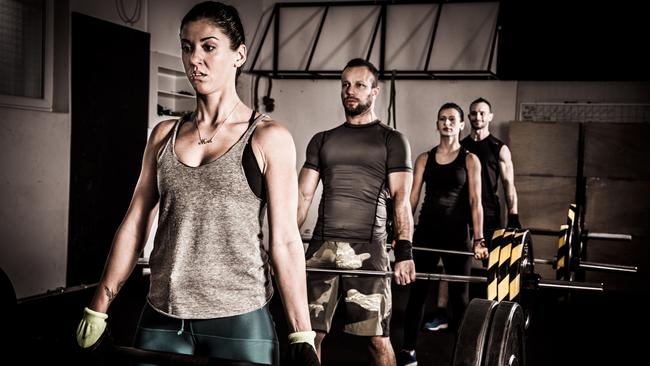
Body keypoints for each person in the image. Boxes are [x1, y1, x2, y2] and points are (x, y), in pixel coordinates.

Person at [75, 2, 319, 365]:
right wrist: (98, 307)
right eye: (187, 47)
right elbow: (135, 224)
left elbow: (284, 239)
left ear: (239, 55)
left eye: (208, 46)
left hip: (239, 318)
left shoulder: (268, 137)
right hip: (163, 311)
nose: (194, 59)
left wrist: (302, 332)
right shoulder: (163, 136)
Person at [297, 58, 416, 366]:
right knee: (308, 336)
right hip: (322, 247)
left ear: (375, 92)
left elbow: (401, 199)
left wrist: (404, 251)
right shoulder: (322, 140)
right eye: (346, 85)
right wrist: (284, 244)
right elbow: (303, 195)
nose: (350, 91)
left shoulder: (392, 140)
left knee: (377, 340)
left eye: (360, 85)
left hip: (369, 248)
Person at [396, 103, 488, 366]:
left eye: (452, 119)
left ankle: (462, 354)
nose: (447, 123)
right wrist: (402, 234)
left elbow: (475, 202)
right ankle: (409, 351)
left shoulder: (470, 159)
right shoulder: (425, 158)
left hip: (458, 236)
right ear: (437, 124)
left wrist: (479, 240)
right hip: (426, 232)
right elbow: (411, 200)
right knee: (417, 294)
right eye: (442, 119)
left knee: (460, 299)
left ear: (461, 125)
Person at [424, 97, 522, 334]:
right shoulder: (461, 148)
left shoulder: (499, 148)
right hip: (460, 217)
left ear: (490, 117)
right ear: (467, 119)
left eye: (482, 113)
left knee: (494, 268)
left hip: (488, 215)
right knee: (449, 268)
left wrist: (514, 215)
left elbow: (509, 184)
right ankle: (442, 313)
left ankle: (493, 316)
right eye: (473, 114)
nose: (477, 117)